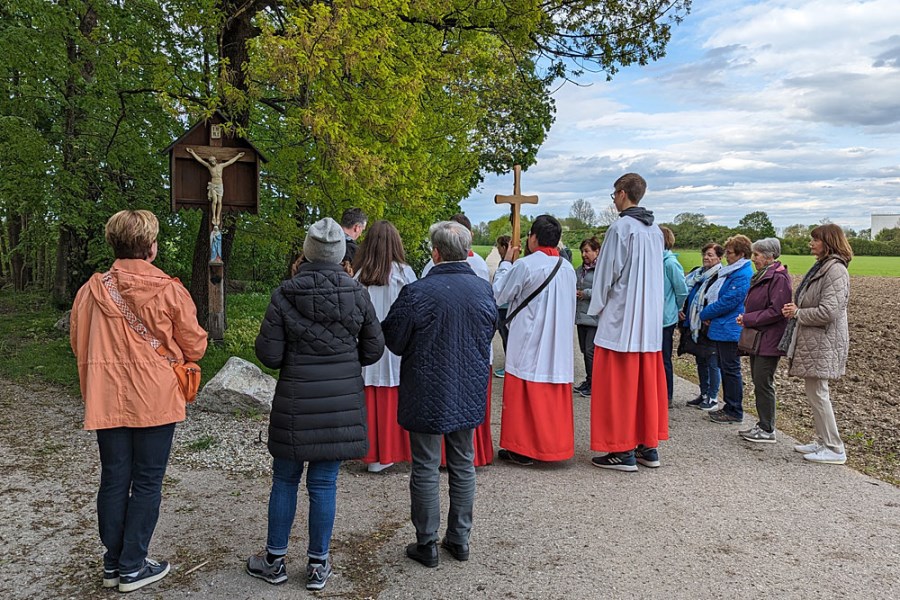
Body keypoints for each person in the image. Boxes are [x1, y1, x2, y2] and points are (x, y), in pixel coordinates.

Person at [70, 210, 208, 593]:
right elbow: (195, 344)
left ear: (113, 243)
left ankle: (114, 562)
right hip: (156, 397)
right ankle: (133, 565)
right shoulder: (168, 289)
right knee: (147, 481)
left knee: (114, 477)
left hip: (106, 395)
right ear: (151, 246)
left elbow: (77, 342)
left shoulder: (91, 291)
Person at [248, 217, 384, 591]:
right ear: (340, 253)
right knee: (324, 484)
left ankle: (274, 561)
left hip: (296, 403)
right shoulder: (358, 295)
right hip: (339, 406)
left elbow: (270, 355)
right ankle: (318, 565)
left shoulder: (285, 294)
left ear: (307, 252)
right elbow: (373, 349)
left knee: (285, 480)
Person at [381, 221, 498, 568]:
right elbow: (490, 330)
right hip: (468, 385)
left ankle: (427, 542)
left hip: (427, 386)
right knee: (463, 462)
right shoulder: (482, 290)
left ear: (435, 252)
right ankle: (460, 538)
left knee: (426, 465)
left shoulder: (418, 292)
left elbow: (394, 339)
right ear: (466, 251)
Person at [587, 174, 667, 471]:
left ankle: (621, 450)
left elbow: (606, 274)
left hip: (622, 319)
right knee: (644, 388)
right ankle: (647, 445)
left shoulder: (620, 228)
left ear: (622, 194)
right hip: (647, 321)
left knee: (618, 389)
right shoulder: (655, 230)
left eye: (613, 195)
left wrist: (596, 308)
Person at [493, 214, 577, 466]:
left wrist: (506, 263)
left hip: (530, 337)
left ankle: (522, 447)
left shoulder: (526, 265)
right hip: (558, 339)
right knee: (551, 393)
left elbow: (498, 295)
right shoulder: (568, 268)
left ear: (533, 238)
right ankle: (555, 447)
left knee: (525, 389)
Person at [421, 212, 494, 466]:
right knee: (464, 450)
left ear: (437, 250)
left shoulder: (431, 269)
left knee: (426, 460)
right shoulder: (480, 267)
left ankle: (441, 459)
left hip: (436, 351)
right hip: (471, 351)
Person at [781, 224, 852, 465]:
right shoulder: (824, 267)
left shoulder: (835, 271)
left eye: (815, 240)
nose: (811, 243)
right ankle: (822, 440)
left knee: (819, 392)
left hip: (824, 341)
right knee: (814, 392)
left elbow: (828, 311)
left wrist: (798, 313)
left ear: (829, 242)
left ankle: (834, 447)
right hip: (816, 340)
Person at [352, 220, 416, 473]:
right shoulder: (404, 274)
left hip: (367, 343)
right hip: (395, 344)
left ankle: (370, 453)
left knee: (370, 396)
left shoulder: (359, 275)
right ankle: (389, 452)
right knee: (392, 397)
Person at [736, 237, 792, 443]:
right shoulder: (765, 276)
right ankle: (763, 424)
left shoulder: (778, 279)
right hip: (760, 338)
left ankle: (767, 428)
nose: (753, 259)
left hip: (769, 339)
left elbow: (777, 311)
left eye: (757, 255)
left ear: (769, 257)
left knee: (763, 382)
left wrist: (748, 319)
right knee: (759, 381)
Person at [700, 235, 753, 424]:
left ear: (740, 254)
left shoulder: (742, 274)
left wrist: (705, 313)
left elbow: (728, 301)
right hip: (724, 326)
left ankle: (734, 409)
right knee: (726, 367)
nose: (727, 256)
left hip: (730, 328)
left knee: (731, 369)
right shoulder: (734, 272)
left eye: (730, 253)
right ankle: (729, 406)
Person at [682, 243, 724, 411]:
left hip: (708, 325)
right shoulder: (698, 274)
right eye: (705, 254)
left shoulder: (720, 276)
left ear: (719, 258)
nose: (706, 257)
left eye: (711, 255)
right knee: (700, 359)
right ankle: (704, 393)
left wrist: (708, 315)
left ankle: (713, 397)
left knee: (712, 361)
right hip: (695, 325)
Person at [660, 226, 688, 409]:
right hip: (653, 318)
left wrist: (675, 308)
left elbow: (682, 290)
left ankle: (667, 395)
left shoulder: (669, 263)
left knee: (664, 357)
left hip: (665, 318)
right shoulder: (655, 261)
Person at [185, 148, 244, 227]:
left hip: (220, 186)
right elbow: (200, 160)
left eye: (213, 161)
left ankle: (218, 217)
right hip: (213, 185)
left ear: (215, 160)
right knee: (215, 201)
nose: (212, 162)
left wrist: (238, 156)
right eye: (211, 161)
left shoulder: (221, 166)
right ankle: (213, 216)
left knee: (220, 202)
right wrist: (193, 153)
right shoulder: (209, 167)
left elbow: (230, 162)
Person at [574, 237, 601, 398]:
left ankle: (594, 383)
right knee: (584, 350)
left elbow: (603, 289)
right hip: (581, 315)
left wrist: (585, 294)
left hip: (593, 316)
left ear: (596, 251)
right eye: (582, 251)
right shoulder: (579, 270)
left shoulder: (600, 270)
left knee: (591, 351)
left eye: (587, 251)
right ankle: (589, 379)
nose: (584, 254)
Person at [493, 235, 511, 378]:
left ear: (504, 247)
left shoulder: (509, 264)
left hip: (505, 307)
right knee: (505, 337)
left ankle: (509, 366)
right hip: (502, 307)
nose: (498, 249)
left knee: (507, 338)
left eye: (499, 246)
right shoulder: (504, 263)